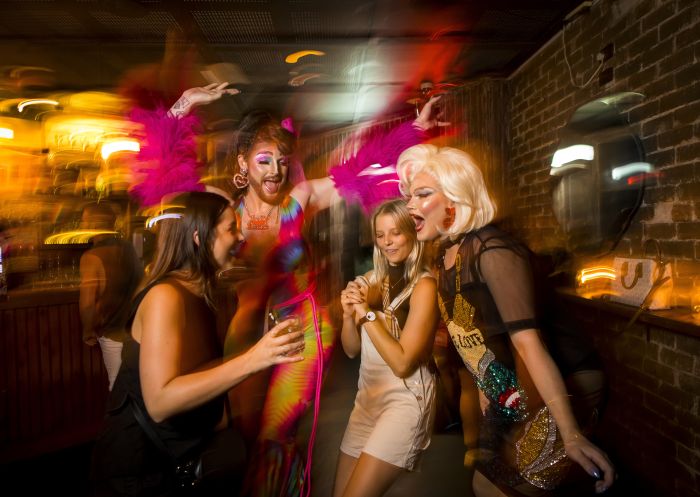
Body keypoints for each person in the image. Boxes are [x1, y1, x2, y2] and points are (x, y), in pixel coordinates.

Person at [126, 82, 444, 496]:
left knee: (277, 430)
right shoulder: (225, 209)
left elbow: (360, 174)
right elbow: (168, 185)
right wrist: (182, 107)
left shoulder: (301, 199)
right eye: (263, 160)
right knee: (248, 434)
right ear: (243, 163)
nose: (275, 170)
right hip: (244, 331)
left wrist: (415, 129)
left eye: (280, 160)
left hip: (302, 330)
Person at [396, 144, 615, 496]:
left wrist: (570, 431)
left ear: (455, 200)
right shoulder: (447, 256)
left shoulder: (492, 251)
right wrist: (487, 387)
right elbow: (473, 336)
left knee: (504, 489)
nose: (410, 205)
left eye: (422, 194)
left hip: (559, 384)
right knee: (484, 484)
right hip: (511, 388)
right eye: (409, 195)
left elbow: (529, 343)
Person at [90, 191, 306, 497]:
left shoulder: (203, 293)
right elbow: (161, 402)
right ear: (198, 237)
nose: (241, 235)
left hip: (174, 460)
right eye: (231, 228)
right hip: (137, 470)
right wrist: (254, 360)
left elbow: (199, 370)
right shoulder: (166, 296)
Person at [334, 199, 438, 497]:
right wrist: (347, 315)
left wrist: (366, 313)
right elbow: (351, 350)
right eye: (380, 235)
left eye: (395, 233)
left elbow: (403, 363)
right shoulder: (371, 281)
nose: (387, 242)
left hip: (405, 402)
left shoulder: (424, 287)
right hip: (366, 400)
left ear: (411, 232)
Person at [79, 202, 143, 391]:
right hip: (136, 331)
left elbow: (87, 303)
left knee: (117, 389)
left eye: (84, 221)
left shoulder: (92, 257)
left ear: (93, 224)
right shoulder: (130, 249)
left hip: (113, 333)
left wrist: (87, 330)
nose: (82, 226)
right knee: (139, 388)